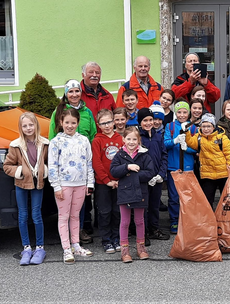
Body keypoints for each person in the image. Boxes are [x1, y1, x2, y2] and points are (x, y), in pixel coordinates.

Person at [48, 108, 94, 264]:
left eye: (73, 123)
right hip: (64, 185)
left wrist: (90, 183)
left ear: (78, 123)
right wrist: (56, 186)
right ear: (61, 122)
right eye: (67, 122)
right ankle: (66, 249)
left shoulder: (84, 140)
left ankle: (76, 245)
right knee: (64, 216)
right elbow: (52, 165)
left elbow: (89, 162)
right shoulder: (56, 142)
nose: (70, 126)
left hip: (80, 184)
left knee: (75, 215)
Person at [3, 112, 49, 265]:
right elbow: (7, 166)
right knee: (22, 215)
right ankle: (26, 248)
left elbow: (50, 162)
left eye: (31, 125)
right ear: (20, 128)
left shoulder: (45, 144)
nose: (28, 128)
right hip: (21, 184)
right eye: (25, 126)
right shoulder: (15, 145)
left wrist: (44, 170)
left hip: (37, 184)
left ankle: (40, 247)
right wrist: (20, 171)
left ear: (36, 125)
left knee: (36, 215)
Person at [110, 126, 156, 263]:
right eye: (128, 139)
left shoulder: (144, 155)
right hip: (124, 192)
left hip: (140, 192)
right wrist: (127, 167)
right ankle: (125, 251)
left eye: (134, 139)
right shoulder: (119, 155)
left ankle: (141, 248)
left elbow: (150, 172)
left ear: (139, 140)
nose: (131, 142)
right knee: (125, 222)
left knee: (139, 220)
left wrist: (133, 176)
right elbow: (113, 171)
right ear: (123, 139)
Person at [183, 113, 230, 208]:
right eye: (204, 126)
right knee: (207, 199)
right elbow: (191, 142)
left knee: (226, 199)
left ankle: (224, 216)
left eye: (208, 126)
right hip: (207, 174)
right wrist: (187, 132)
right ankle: (210, 216)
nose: (206, 129)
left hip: (223, 173)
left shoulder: (221, 138)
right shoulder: (199, 137)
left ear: (213, 127)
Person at [92, 109, 123, 254]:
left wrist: (120, 178)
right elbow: (96, 162)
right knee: (104, 212)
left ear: (114, 122)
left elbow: (124, 159)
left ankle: (116, 238)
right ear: (98, 125)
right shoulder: (97, 140)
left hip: (119, 182)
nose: (107, 125)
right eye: (103, 123)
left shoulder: (120, 139)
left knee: (117, 211)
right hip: (103, 183)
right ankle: (106, 240)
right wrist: (106, 180)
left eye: (109, 122)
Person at [164, 101, 198, 233]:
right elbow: (165, 144)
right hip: (173, 166)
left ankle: (186, 220)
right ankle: (174, 220)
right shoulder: (170, 126)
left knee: (188, 196)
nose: (182, 115)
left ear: (188, 113)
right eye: (179, 112)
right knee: (173, 196)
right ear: (175, 113)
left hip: (188, 167)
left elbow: (197, 148)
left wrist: (187, 148)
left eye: (185, 112)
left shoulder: (193, 128)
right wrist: (175, 141)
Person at [137, 108, 169, 241]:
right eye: (145, 120)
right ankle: (143, 232)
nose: (149, 123)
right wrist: (144, 175)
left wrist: (161, 174)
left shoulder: (158, 136)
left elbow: (164, 155)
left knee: (154, 205)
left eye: (151, 120)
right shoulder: (138, 137)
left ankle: (154, 228)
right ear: (140, 122)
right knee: (143, 207)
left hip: (156, 178)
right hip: (144, 179)